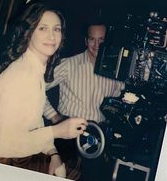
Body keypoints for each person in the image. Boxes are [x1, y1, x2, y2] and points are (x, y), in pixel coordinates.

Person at [0, 3, 87, 178]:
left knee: (72, 164)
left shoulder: (34, 69)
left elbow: (35, 123)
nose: (51, 35)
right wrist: (58, 131)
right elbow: (2, 147)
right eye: (43, 28)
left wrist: (53, 154)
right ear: (29, 32)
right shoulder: (22, 75)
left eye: (56, 29)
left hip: (10, 152)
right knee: (75, 171)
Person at [44, 22, 125, 180]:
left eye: (101, 40)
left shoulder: (115, 71)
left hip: (99, 139)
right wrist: (53, 116)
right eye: (92, 39)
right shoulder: (69, 64)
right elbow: (37, 88)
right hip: (68, 139)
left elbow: (120, 100)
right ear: (86, 41)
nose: (96, 45)